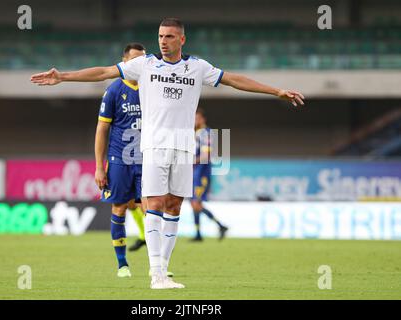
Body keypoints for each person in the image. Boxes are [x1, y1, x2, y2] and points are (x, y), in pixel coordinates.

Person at [31, 17, 305, 290]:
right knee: (154, 203)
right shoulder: (145, 64)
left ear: (182, 39)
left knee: (174, 205)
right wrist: (63, 76)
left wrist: (276, 91)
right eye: (161, 36)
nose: (163, 41)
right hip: (155, 146)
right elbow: (104, 72)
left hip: (184, 147)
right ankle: (156, 274)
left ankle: (162, 271)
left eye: (170, 37)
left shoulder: (196, 67)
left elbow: (233, 79)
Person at [94, 43, 147, 278]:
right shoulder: (114, 90)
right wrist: (99, 167)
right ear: (124, 63)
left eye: (142, 60)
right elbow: (102, 129)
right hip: (120, 160)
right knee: (119, 208)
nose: (138, 65)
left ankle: (158, 266)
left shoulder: (152, 88)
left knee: (153, 210)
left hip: (147, 160)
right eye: (133, 61)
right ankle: (122, 264)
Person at [190, 108, 228, 242]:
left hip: (202, 173)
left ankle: (204, 232)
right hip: (194, 172)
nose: (195, 120)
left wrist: (191, 161)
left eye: (197, 118)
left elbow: (206, 155)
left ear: (203, 119)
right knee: (194, 203)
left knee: (195, 202)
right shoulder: (195, 133)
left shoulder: (206, 133)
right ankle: (215, 227)